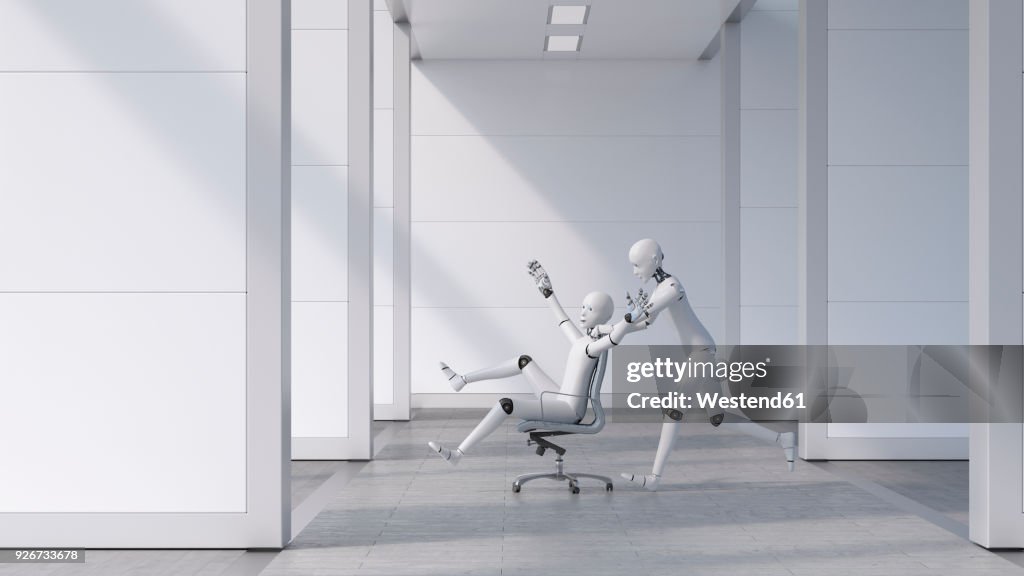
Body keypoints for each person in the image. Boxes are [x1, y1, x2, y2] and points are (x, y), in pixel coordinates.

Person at [619, 239, 796, 491]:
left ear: (654, 261)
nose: (635, 271)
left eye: (637, 265)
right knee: (718, 417)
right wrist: (610, 330)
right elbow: (645, 322)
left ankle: (654, 478)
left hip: (700, 353)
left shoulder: (671, 286)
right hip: (701, 352)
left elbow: (647, 312)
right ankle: (782, 438)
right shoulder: (659, 290)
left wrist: (632, 315)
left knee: (673, 410)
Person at [428, 261, 642, 465]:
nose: (583, 313)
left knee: (506, 405)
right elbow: (563, 320)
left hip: (568, 410)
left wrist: (628, 320)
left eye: (590, 310)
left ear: (603, 317)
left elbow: (614, 338)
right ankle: (461, 380)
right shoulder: (583, 341)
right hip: (558, 397)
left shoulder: (593, 347)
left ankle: (458, 454)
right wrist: (548, 293)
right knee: (524, 361)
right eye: (583, 307)